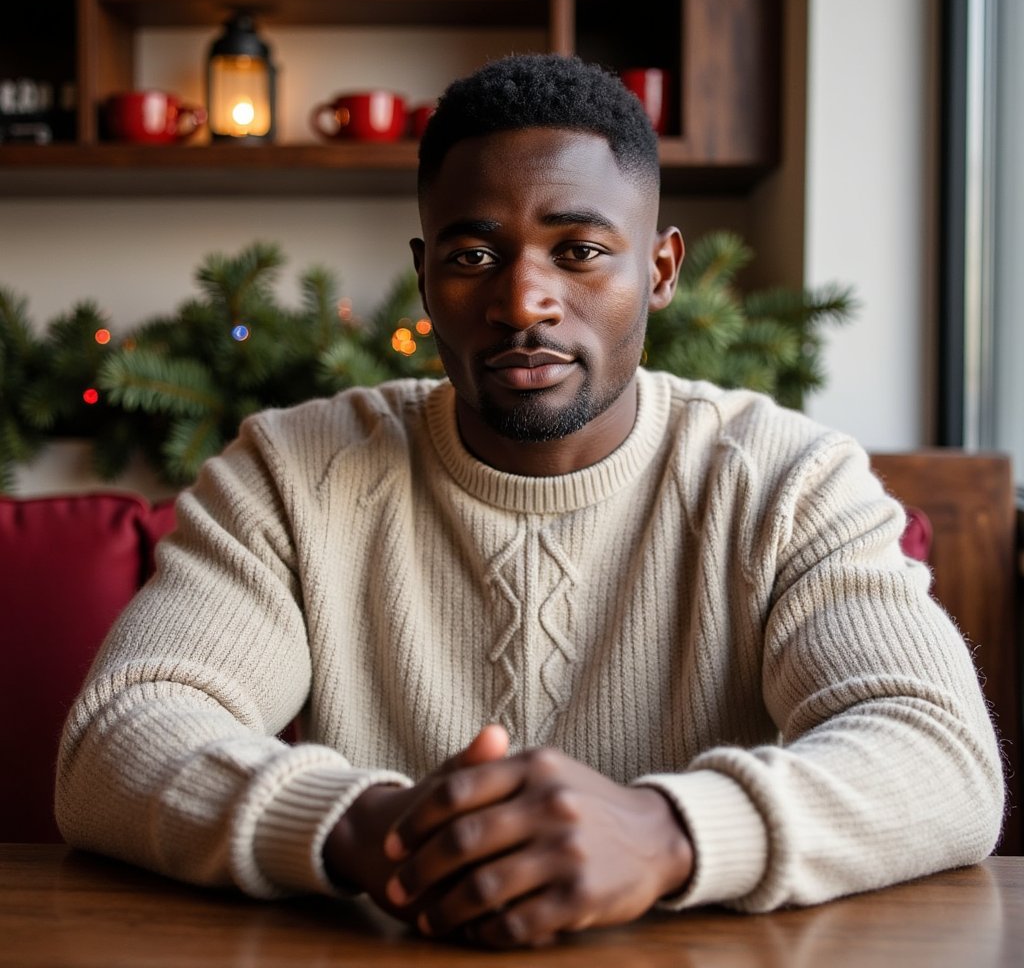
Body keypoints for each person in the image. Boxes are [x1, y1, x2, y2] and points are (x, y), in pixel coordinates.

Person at [56, 54, 1004, 949]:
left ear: (661, 271)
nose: (524, 301)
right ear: (426, 277)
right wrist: (370, 826)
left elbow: (939, 753)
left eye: (581, 250)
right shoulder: (290, 473)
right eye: (474, 257)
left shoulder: (790, 480)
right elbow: (121, 735)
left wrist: (671, 830)